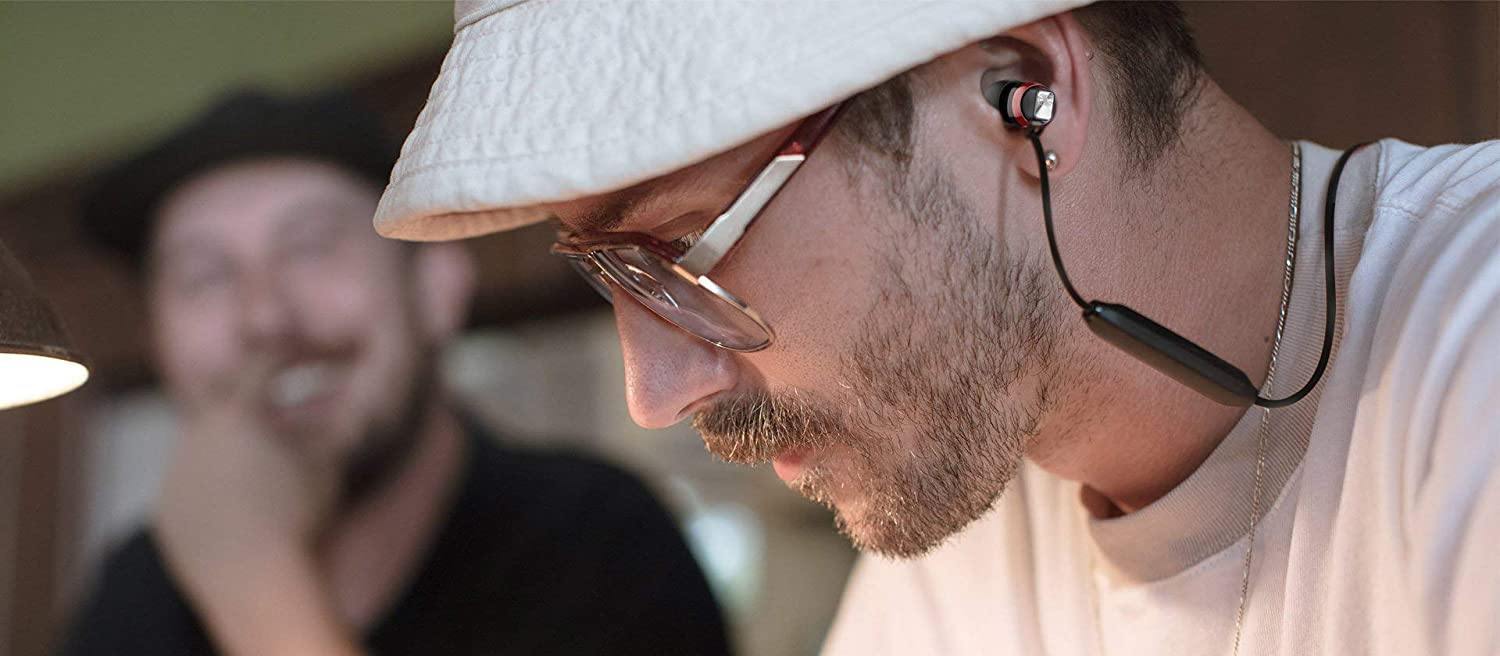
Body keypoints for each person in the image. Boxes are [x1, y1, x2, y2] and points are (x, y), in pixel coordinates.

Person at [369, 1, 1500, 654]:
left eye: (682, 246)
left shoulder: (1470, 337)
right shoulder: (965, 520)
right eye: (613, 273)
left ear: (1025, 92)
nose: (655, 391)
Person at [62, 90, 730, 656]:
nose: (264, 317)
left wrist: (253, 580)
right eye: (203, 275)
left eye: (311, 247)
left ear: (436, 290)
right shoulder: (136, 595)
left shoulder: (596, 543)